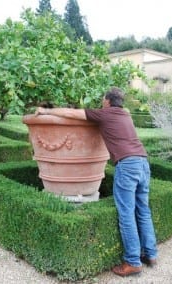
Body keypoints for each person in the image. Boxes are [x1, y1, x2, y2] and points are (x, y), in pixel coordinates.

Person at [35, 87, 158, 277]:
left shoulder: (104, 114)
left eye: (103, 98)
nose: (102, 101)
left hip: (127, 165)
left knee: (126, 214)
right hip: (143, 162)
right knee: (143, 210)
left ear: (108, 101)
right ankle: (150, 254)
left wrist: (46, 111)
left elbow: (70, 113)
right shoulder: (125, 115)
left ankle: (133, 262)